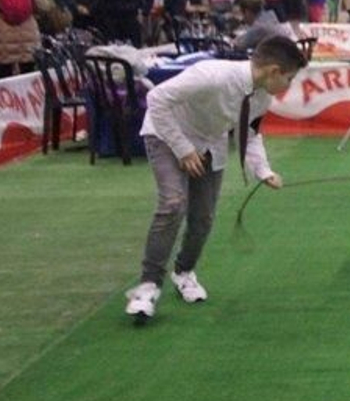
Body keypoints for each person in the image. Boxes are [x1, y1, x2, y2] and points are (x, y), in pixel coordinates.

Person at [123, 36, 307, 323]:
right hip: (166, 134)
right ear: (273, 71)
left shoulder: (261, 97)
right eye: (289, 78)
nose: (289, 85)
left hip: (210, 144)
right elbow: (156, 99)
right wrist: (183, 149)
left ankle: (184, 272)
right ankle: (147, 287)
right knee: (173, 203)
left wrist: (264, 170)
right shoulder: (211, 75)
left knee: (203, 217)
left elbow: (252, 132)